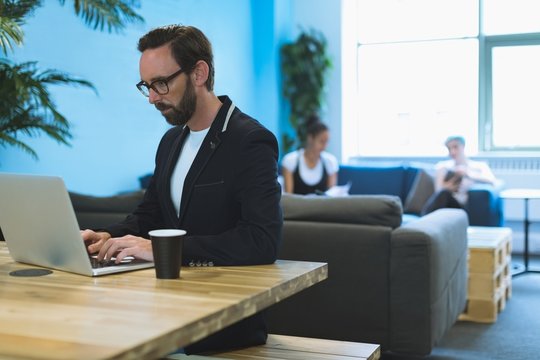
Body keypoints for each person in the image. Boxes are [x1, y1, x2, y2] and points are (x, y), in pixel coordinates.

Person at [80, 25, 282, 354]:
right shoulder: (172, 140)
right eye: (146, 86)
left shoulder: (250, 141)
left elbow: (262, 242)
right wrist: (105, 235)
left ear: (199, 73)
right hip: (165, 312)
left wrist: (160, 248)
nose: (152, 98)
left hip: (223, 326)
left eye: (161, 83)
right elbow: (151, 213)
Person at [421, 135, 496, 215]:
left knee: (444, 194)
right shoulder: (443, 167)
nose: (452, 152)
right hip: (444, 200)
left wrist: (467, 174)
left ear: (463, 146)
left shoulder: (478, 166)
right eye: (449, 149)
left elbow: (492, 181)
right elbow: (438, 191)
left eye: (455, 147)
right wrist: (449, 186)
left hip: (461, 204)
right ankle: (425, 220)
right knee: (444, 193)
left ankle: (423, 220)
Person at [281, 115, 339, 195]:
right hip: (296, 207)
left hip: (323, 207)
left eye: (327, 142)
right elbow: (289, 197)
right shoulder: (290, 161)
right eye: (321, 141)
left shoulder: (330, 162)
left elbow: (332, 196)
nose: (325, 146)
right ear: (310, 138)